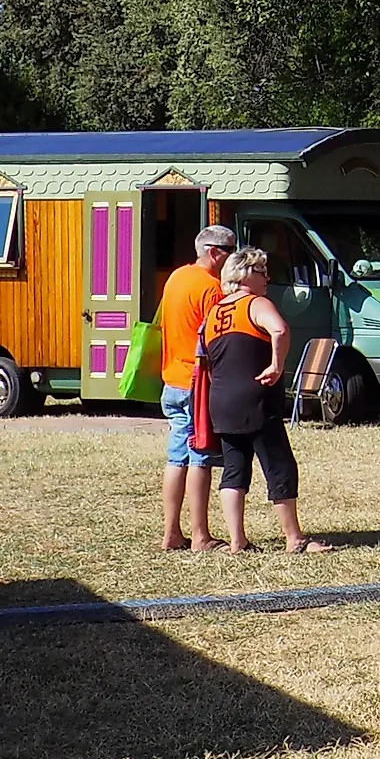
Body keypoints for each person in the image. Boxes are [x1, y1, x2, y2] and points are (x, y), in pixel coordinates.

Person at [200, 247, 330, 554]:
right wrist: (277, 365)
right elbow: (280, 330)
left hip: (222, 401)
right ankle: (294, 539)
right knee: (279, 465)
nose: (267, 278)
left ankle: (237, 541)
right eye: (262, 271)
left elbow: (207, 359)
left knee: (234, 470)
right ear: (245, 275)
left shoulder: (214, 312)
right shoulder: (255, 303)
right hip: (256, 397)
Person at [154, 223, 236, 551]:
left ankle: (171, 532)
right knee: (200, 457)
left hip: (172, 380)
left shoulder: (176, 278)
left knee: (176, 459)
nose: (233, 257)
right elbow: (218, 341)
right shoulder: (211, 288)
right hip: (197, 384)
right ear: (214, 252)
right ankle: (200, 535)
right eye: (230, 251)